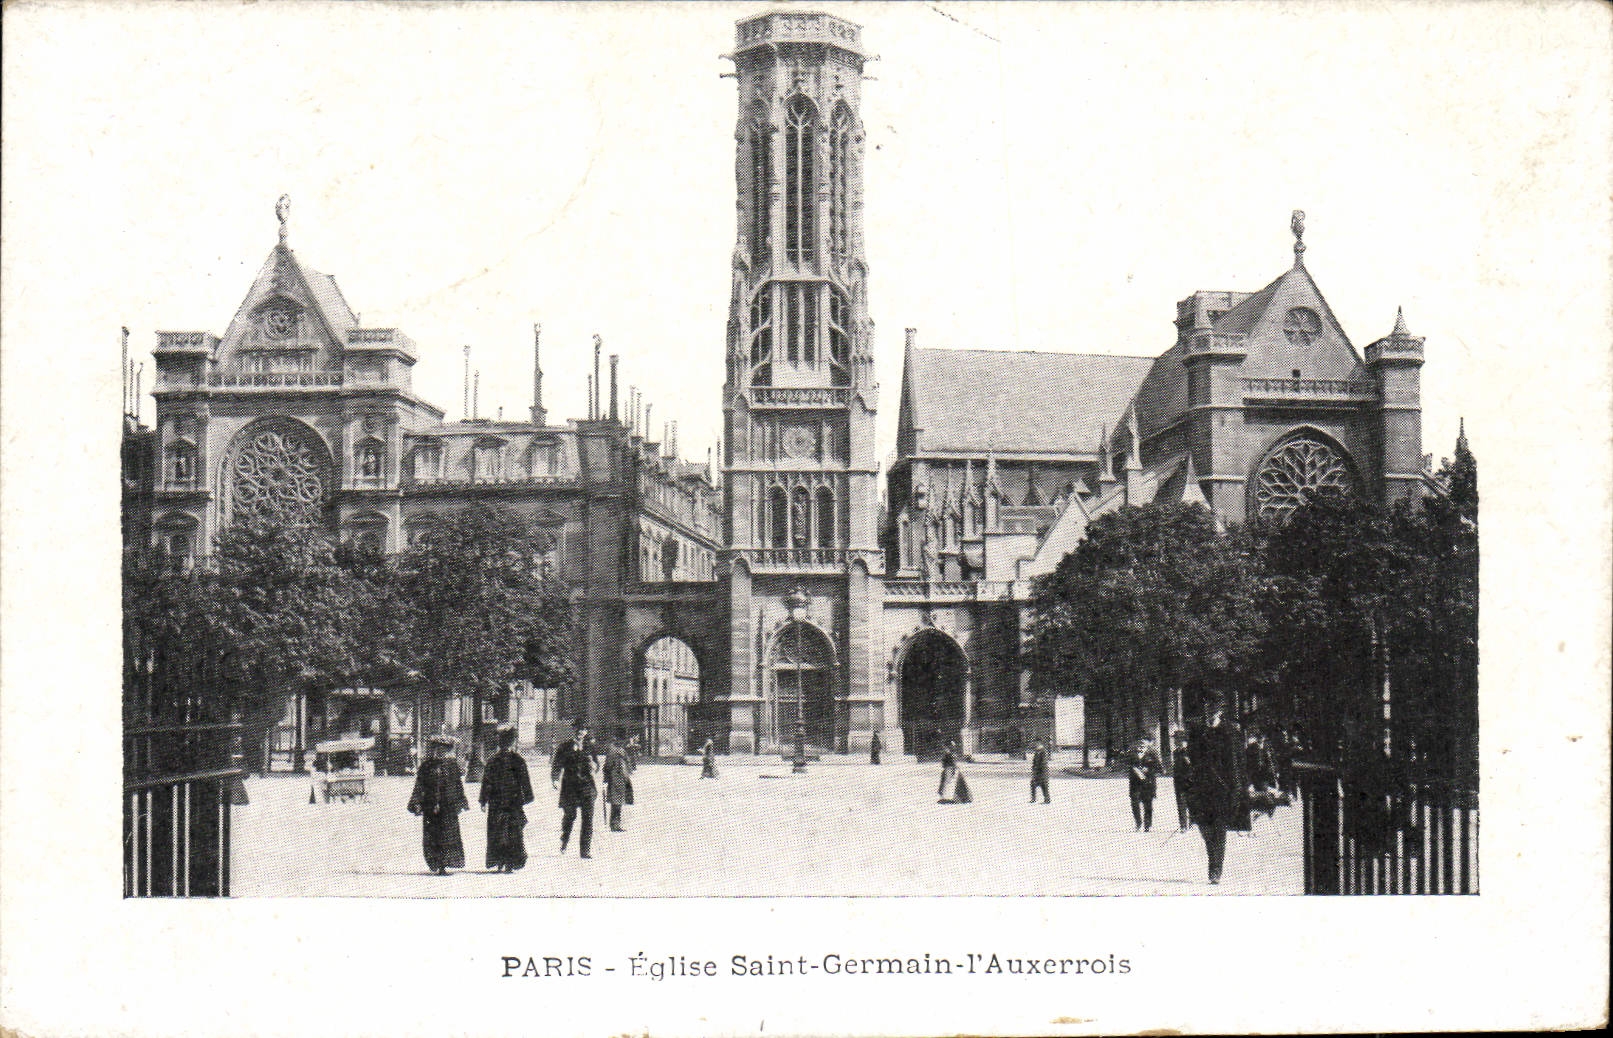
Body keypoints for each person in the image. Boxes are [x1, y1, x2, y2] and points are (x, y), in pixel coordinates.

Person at [1187, 697, 1250, 884]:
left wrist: (1237, 790)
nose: (1208, 714)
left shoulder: (1229, 733)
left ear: (1219, 712)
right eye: (1206, 709)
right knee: (1204, 828)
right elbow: (1192, 759)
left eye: (1212, 711)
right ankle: (1213, 861)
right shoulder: (1198, 733)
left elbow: (1236, 765)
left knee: (1219, 829)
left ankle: (1215, 870)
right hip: (1201, 789)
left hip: (1222, 790)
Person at [406, 735, 469, 875]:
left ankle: (445, 864)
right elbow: (419, 786)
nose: (440, 753)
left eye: (444, 750)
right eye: (437, 749)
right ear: (433, 750)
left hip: (449, 807)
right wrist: (416, 802)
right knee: (432, 835)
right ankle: (437, 863)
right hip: (430, 807)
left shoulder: (452, 766)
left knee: (448, 835)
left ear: (448, 751)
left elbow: (458, 786)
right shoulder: (426, 767)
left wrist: (461, 801)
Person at [479, 725, 534, 873]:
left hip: (510, 802)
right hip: (500, 802)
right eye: (504, 744)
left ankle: (508, 862)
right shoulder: (497, 760)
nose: (506, 747)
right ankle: (501, 861)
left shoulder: (515, 760)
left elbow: (525, 781)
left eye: (507, 744)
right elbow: (487, 781)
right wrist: (483, 799)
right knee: (501, 832)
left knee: (511, 832)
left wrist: (526, 798)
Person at [550, 719, 598, 859]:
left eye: (583, 730)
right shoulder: (564, 747)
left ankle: (585, 850)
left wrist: (594, 767)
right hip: (570, 787)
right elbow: (557, 765)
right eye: (578, 729)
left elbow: (596, 765)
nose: (580, 732)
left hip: (587, 787)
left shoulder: (590, 747)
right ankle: (564, 839)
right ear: (574, 730)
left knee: (588, 819)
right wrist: (555, 779)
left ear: (586, 732)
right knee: (570, 816)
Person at [1127, 738, 1161, 831]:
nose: (1141, 746)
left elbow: (1159, 768)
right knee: (1134, 803)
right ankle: (1138, 823)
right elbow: (1127, 765)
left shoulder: (1152, 754)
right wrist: (1135, 770)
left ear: (1147, 745)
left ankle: (1147, 825)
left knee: (1148, 805)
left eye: (1144, 744)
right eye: (1140, 743)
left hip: (1148, 783)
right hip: (1135, 784)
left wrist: (1149, 769)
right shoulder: (1131, 754)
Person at [602, 736, 634, 832]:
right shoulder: (613, 751)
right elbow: (607, 766)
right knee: (616, 802)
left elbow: (628, 763)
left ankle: (616, 823)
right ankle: (614, 824)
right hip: (615, 779)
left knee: (618, 802)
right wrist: (605, 780)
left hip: (622, 779)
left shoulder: (621, 750)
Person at [1170, 729, 1193, 831]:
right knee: (1181, 803)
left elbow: (1192, 766)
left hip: (1189, 781)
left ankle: (1192, 822)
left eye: (1176, 739)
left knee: (1191, 802)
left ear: (1182, 740)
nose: (1174, 741)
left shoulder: (1189, 751)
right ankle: (1183, 825)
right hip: (1179, 782)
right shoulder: (1175, 752)